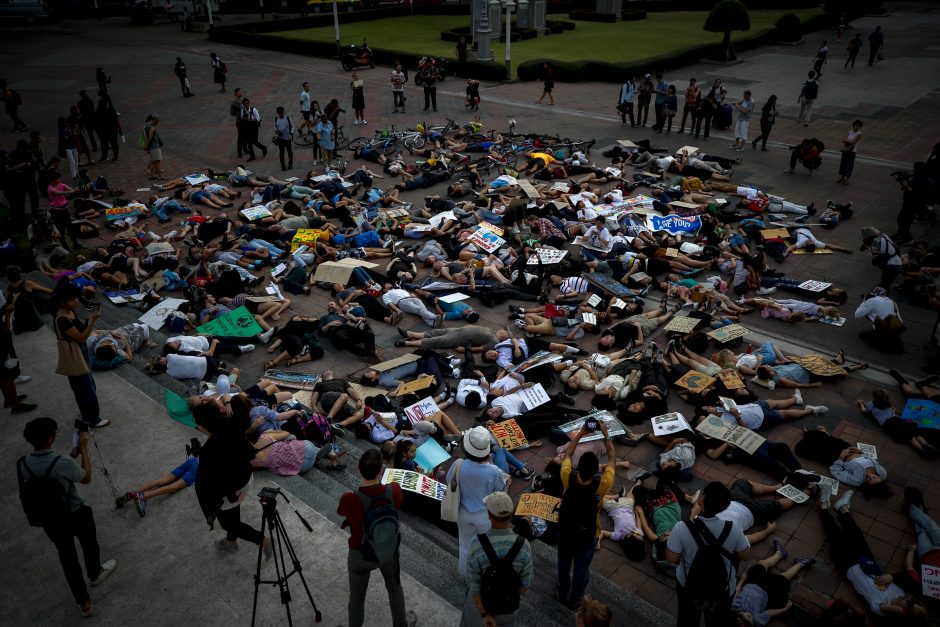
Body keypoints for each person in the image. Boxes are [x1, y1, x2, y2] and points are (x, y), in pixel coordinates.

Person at [18, 416, 118, 617]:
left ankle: (84, 602)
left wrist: (72, 455)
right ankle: (95, 573)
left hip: (50, 519)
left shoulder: (23, 463)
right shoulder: (60, 461)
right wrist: (84, 450)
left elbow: (47, 473)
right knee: (89, 544)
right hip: (74, 513)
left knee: (67, 558)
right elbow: (86, 477)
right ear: (49, 439)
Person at [819, 490, 928, 621]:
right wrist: (891, 577)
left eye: (910, 603)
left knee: (834, 535)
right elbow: (906, 574)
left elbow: (879, 607)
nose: (909, 598)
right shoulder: (901, 592)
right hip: (866, 562)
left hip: (848, 566)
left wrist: (897, 610)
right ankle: (843, 508)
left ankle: (823, 507)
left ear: (903, 612)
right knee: (855, 534)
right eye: (914, 600)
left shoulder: (883, 609)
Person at [338, 449, 417, 627]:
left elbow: (342, 512)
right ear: (380, 471)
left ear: (358, 468)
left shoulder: (350, 499)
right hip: (388, 551)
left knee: (357, 600)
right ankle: (401, 624)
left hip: (361, 554)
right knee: (395, 588)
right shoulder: (393, 490)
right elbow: (398, 502)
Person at [666, 481, 751, 627]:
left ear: (702, 499)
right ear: (724, 507)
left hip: (689, 587)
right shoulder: (733, 529)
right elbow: (744, 556)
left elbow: (671, 558)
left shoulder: (682, 528)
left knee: (687, 621)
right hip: (723, 591)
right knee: (717, 622)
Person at [193, 403, 269, 554]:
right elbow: (249, 454)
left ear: (202, 426)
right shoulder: (232, 427)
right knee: (233, 513)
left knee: (229, 524)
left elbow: (213, 483)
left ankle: (263, 541)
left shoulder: (209, 452)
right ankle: (231, 542)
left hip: (230, 492)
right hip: (244, 481)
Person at [556, 421, 616, 610]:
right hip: (588, 533)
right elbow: (613, 458)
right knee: (581, 569)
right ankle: (576, 599)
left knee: (563, 564)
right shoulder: (602, 484)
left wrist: (581, 434)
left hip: (565, 530)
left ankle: (561, 591)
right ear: (596, 470)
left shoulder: (567, 477)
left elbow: (568, 454)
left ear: (578, 467)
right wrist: (605, 435)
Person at [462, 491, 533, 627]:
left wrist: (485, 613)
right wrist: (504, 597)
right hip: (507, 609)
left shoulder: (477, 544)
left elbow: (474, 583)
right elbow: (525, 585)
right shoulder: (524, 546)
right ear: (511, 514)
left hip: (479, 609)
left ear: (489, 515)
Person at [447, 426, 507, 576]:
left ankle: (464, 573)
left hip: (463, 511)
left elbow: (449, 481)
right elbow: (499, 489)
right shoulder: (494, 471)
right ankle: (482, 574)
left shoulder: (458, 464)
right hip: (484, 515)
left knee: (465, 545)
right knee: (486, 547)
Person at [53, 285, 109, 428]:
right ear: (62, 302)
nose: (76, 302)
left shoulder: (70, 312)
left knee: (84, 386)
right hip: (75, 354)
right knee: (85, 387)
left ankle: (86, 413)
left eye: (76, 298)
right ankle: (93, 419)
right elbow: (82, 337)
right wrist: (92, 320)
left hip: (80, 352)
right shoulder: (62, 319)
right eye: (72, 300)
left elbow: (81, 330)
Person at [114, 451, 198, 516]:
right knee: (174, 487)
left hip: (194, 459)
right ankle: (143, 497)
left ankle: (134, 493)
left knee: (164, 480)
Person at [0, 302, 35, 413]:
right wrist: (8, 313)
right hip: (2, 347)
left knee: (1, 374)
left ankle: (9, 400)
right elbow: (5, 330)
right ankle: (15, 405)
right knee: (8, 374)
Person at [837, 120, 862, 185]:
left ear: (859, 127)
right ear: (853, 125)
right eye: (855, 125)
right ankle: (842, 177)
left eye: (858, 126)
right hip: (845, 150)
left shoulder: (859, 134)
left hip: (852, 151)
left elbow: (853, 142)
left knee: (849, 164)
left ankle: (846, 178)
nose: (856, 127)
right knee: (843, 164)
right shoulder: (850, 132)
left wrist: (848, 141)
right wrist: (848, 141)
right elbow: (844, 140)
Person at [142, 114, 165, 180]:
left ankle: (152, 176)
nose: (158, 122)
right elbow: (150, 137)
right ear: (154, 120)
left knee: (154, 161)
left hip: (151, 147)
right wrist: (147, 145)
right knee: (157, 162)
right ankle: (160, 176)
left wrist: (146, 146)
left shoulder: (145, 126)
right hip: (155, 147)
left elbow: (145, 137)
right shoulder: (152, 127)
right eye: (157, 120)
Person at [273, 106, 294, 172]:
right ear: (278, 113)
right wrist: (276, 131)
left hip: (287, 138)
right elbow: (274, 127)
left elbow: (292, 126)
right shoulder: (276, 119)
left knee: (289, 152)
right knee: (281, 153)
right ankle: (283, 166)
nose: (281, 114)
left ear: (283, 112)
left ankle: (290, 164)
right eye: (279, 113)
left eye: (281, 112)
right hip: (280, 139)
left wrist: (291, 133)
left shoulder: (288, 118)